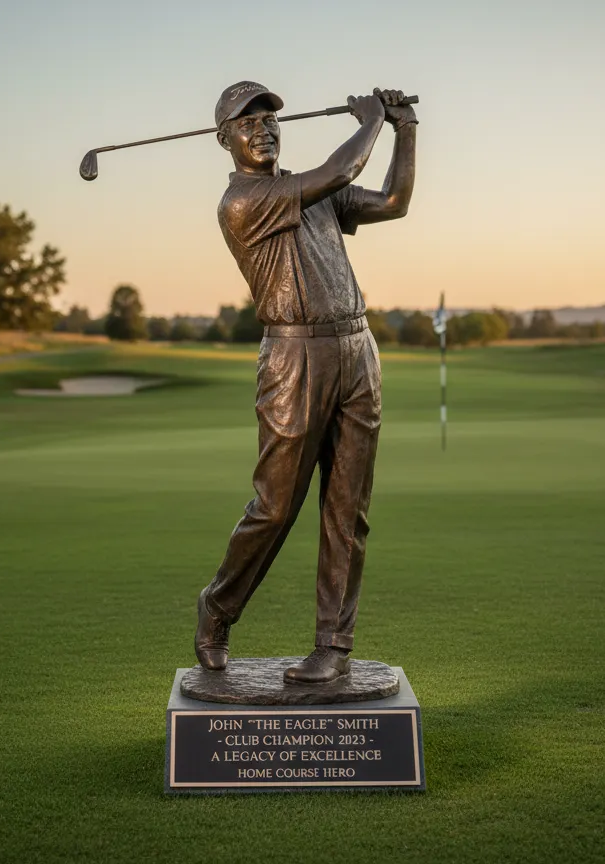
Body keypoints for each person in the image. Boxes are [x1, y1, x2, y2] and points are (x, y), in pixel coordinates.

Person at [194, 81, 417, 684]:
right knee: (275, 507)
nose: (264, 128)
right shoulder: (242, 201)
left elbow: (395, 200)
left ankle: (333, 647)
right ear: (225, 140)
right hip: (295, 360)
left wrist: (404, 129)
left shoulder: (314, 193)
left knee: (348, 507)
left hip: (355, 348)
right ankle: (217, 610)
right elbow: (343, 165)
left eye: (270, 119)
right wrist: (370, 119)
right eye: (248, 123)